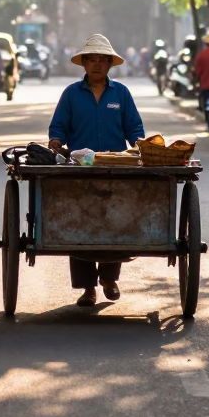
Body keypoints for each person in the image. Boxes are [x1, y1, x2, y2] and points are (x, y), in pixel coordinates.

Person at [48, 33, 146, 307]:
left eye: (102, 60)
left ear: (110, 64)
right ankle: (88, 288)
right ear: (84, 63)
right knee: (80, 222)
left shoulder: (121, 93)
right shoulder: (71, 94)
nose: (96, 64)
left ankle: (109, 279)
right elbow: (58, 126)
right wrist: (55, 140)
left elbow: (134, 128)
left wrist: (140, 145)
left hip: (114, 166)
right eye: (91, 59)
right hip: (81, 168)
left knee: (114, 220)